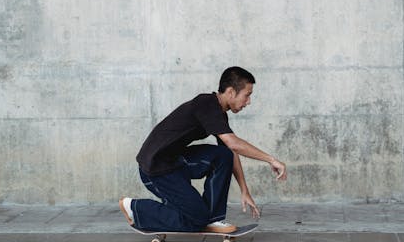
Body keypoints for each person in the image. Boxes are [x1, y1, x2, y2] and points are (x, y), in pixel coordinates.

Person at [119, 66, 287, 233]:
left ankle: (214, 220)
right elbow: (234, 143)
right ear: (230, 92)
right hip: (156, 170)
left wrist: (245, 190)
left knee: (223, 156)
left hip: (175, 162)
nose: (248, 102)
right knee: (197, 220)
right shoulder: (206, 103)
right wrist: (271, 160)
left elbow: (231, 151)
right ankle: (135, 208)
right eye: (247, 95)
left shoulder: (218, 112)